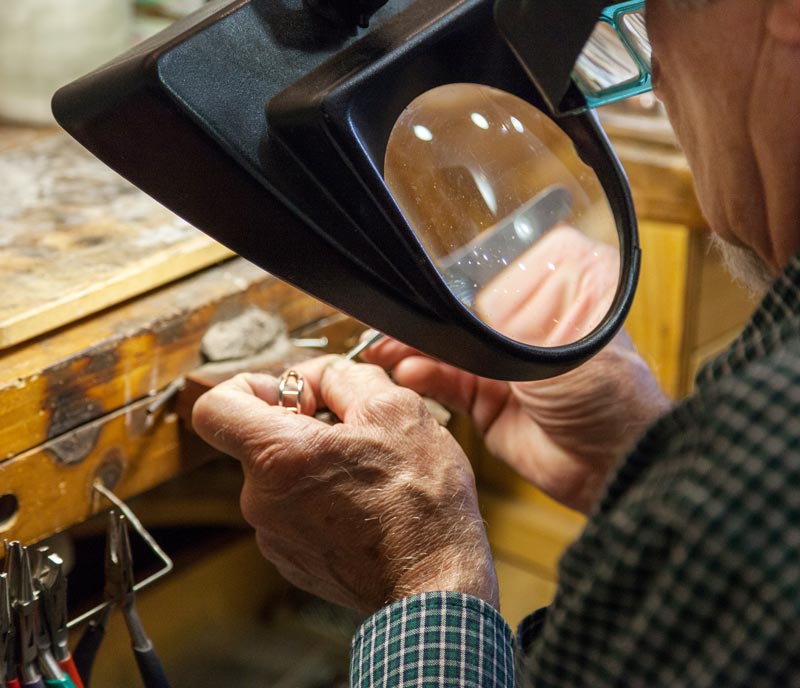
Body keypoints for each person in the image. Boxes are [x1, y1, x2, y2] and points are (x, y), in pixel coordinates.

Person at [192, 0, 800, 684]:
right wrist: (636, 470)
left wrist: (424, 579)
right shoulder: (758, 449)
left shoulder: (772, 440)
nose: (656, 79)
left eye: (649, 13)